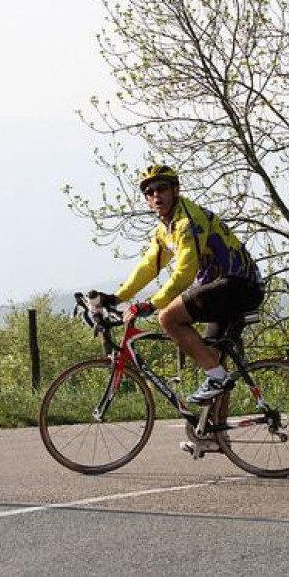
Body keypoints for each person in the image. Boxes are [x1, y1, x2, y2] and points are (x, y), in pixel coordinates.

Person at [98, 164, 265, 404]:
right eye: (150, 192)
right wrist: (116, 298)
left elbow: (184, 273)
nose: (156, 195)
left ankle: (216, 378)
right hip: (223, 289)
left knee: (168, 318)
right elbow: (149, 266)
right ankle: (213, 438)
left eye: (162, 189)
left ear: (175, 190)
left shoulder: (188, 221)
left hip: (237, 285)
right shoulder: (165, 227)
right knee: (212, 361)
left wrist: (151, 305)